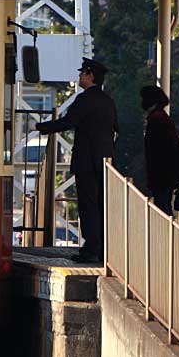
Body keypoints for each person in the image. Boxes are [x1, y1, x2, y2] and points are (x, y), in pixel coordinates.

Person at [35, 57, 118, 263]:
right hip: (105, 161)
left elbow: (69, 122)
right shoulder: (108, 101)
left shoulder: (84, 99)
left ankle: (91, 249)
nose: (79, 76)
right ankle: (103, 247)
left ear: (90, 75)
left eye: (82, 73)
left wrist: (42, 127)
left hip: (86, 161)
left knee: (88, 205)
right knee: (101, 204)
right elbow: (116, 129)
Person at [140, 85, 179, 217]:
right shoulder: (162, 118)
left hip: (162, 174)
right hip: (166, 173)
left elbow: (160, 150)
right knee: (163, 204)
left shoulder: (157, 120)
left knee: (162, 207)